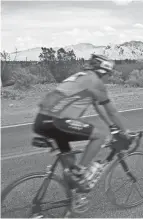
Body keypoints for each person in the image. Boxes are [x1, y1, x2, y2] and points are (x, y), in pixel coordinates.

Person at [32, 54, 133, 205]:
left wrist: (112, 126)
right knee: (99, 136)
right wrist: (124, 131)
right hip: (57, 121)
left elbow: (98, 105)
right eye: (108, 75)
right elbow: (112, 111)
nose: (108, 79)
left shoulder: (83, 77)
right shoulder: (96, 82)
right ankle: (80, 173)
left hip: (41, 120)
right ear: (103, 71)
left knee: (69, 162)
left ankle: (73, 198)